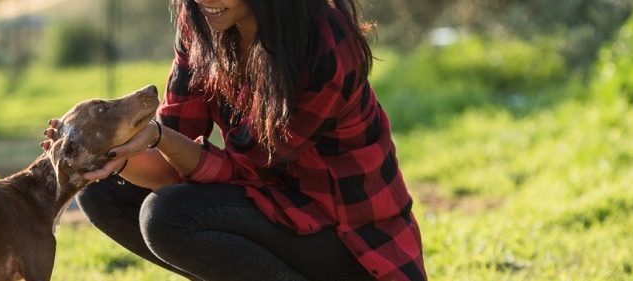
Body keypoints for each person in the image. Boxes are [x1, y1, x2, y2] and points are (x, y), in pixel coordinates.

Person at [42, 0, 425, 280]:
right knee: (103, 190)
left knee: (169, 216)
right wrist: (114, 156)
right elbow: (172, 161)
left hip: (349, 241)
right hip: (269, 211)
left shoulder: (322, 39)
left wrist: (159, 137)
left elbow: (248, 170)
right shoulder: (204, 24)